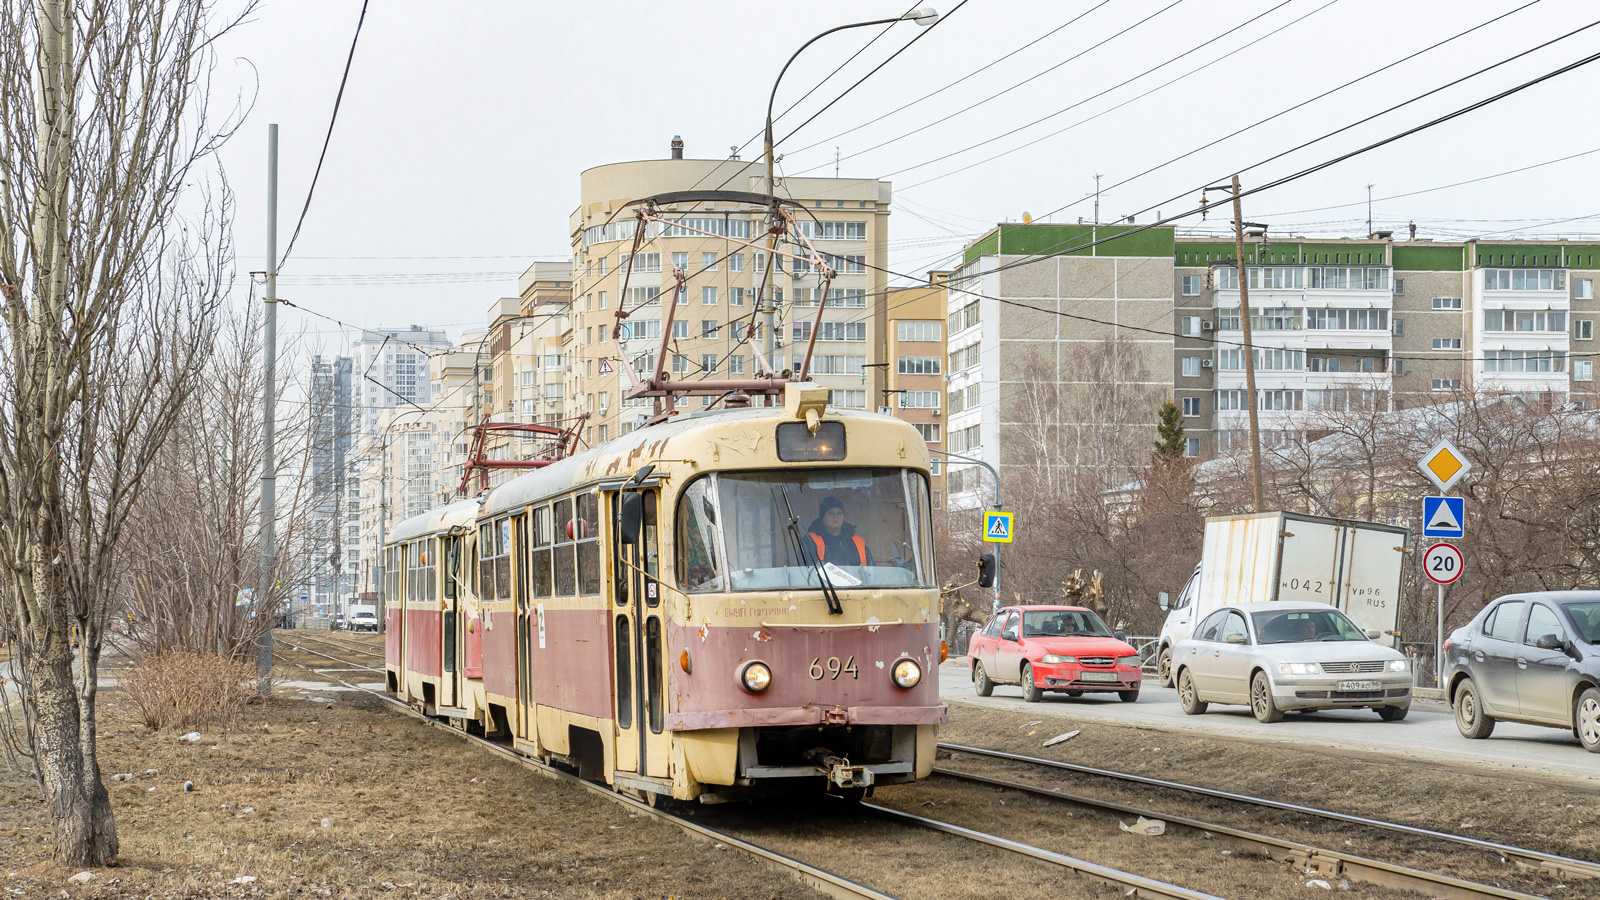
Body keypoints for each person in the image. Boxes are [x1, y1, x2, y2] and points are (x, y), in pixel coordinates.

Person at [806, 496, 873, 566]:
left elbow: (872, 570)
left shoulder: (858, 542)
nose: (835, 516)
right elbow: (805, 570)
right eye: (830, 513)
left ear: (843, 517)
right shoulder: (811, 540)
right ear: (823, 518)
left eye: (839, 513)